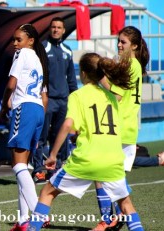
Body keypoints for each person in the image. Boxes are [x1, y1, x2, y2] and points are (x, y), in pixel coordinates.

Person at [27, 52, 145, 231]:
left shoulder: (77, 96)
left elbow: (68, 125)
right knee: (126, 205)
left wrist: (52, 155)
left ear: (82, 73)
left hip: (86, 158)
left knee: (47, 192)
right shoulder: (112, 97)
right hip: (112, 160)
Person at [94, 26, 150, 231]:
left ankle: (108, 220)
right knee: (112, 179)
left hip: (118, 128)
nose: (118, 44)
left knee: (101, 175)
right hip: (125, 128)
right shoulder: (133, 64)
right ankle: (116, 219)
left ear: (134, 45)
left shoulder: (129, 64)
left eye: (123, 42)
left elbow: (116, 96)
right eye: (118, 40)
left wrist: (100, 78)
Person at [0, 23, 49, 231]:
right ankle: (23, 220)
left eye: (18, 39)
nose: (15, 43)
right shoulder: (38, 60)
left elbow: (12, 84)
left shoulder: (22, 55)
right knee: (24, 166)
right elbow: (43, 94)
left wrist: (4, 104)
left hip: (25, 108)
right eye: (13, 39)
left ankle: (39, 213)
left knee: (18, 165)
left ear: (30, 40)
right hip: (38, 110)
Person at [31, 16, 78, 184]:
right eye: (53, 27)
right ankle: (38, 170)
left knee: (60, 136)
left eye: (59, 27)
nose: (56, 30)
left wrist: (75, 98)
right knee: (41, 136)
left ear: (64, 30)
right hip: (47, 99)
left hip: (63, 101)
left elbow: (71, 78)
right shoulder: (42, 48)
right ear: (50, 29)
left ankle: (57, 168)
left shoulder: (68, 50)